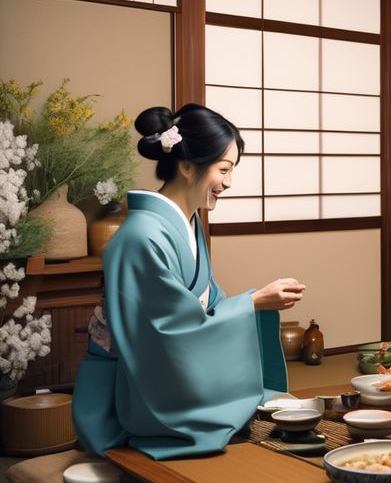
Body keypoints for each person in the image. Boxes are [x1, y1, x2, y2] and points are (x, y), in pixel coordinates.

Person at [72, 104, 306, 460]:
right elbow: (165, 333)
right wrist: (253, 302)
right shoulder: (141, 237)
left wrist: (248, 302)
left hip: (164, 371)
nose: (228, 183)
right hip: (124, 396)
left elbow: (204, 306)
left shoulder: (187, 224)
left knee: (270, 408)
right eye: (223, 169)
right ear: (185, 165)